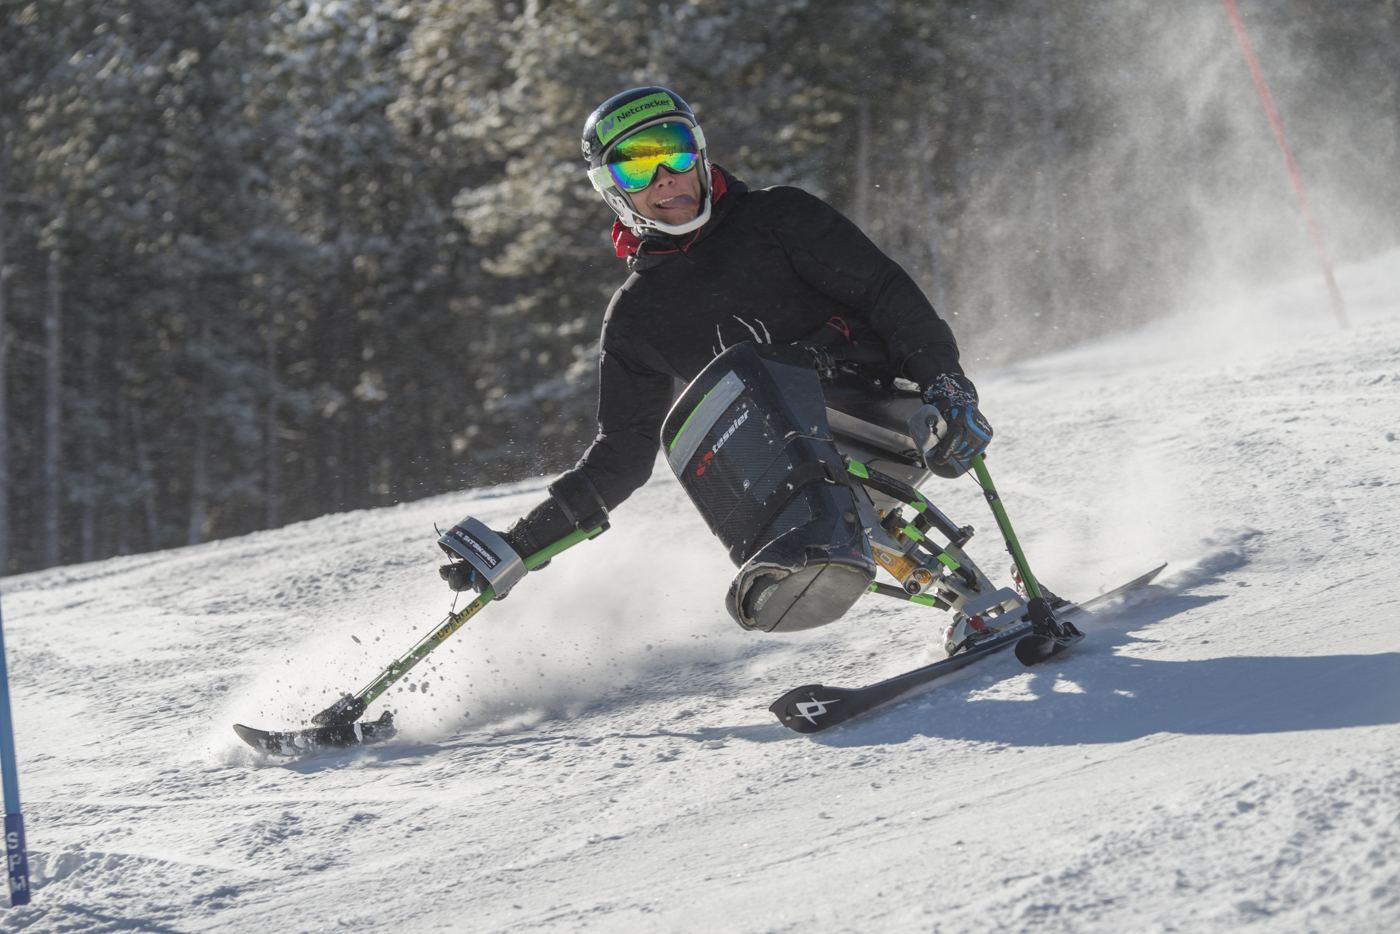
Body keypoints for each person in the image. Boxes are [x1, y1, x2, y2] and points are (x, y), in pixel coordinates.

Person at [440, 86, 992, 631]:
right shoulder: (636, 317)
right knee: (702, 428)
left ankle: (816, 546)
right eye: (636, 169)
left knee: (747, 374)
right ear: (613, 191)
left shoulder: (779, 218)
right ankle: (940, 594)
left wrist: (946, 382)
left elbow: (886, 295)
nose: (664, 178)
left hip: (884, 412)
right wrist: (518, 544)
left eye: (675, 152)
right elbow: (622, 454)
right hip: (799, 467)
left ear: (700, 155)